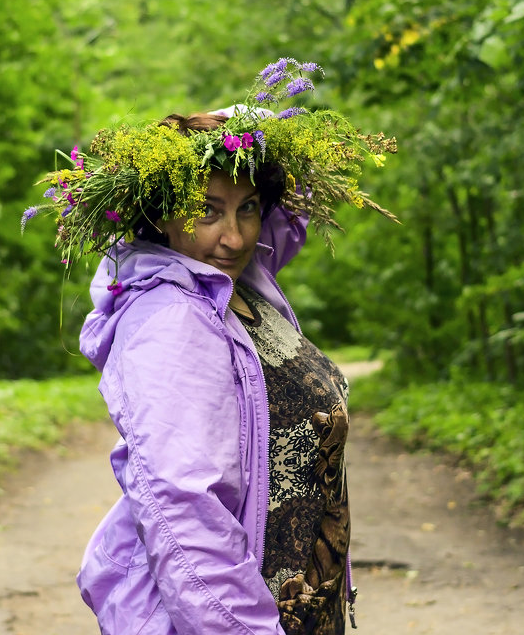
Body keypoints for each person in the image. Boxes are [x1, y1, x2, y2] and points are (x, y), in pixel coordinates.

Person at [22, 58, 394, 635]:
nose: (236, 235)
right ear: (164, 214)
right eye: (207, 211)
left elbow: (279, 205)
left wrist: (241, 139)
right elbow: (182, 512)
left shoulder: (240, 287)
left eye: (247, 208)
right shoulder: (172, 317)